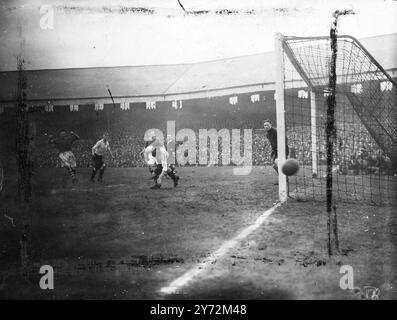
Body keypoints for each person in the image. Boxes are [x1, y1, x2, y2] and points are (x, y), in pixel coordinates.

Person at [263, 119, 289, 184]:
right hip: (276, 151)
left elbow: (285, 139)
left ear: (271, 125)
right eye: (265, 125)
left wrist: (281, 147)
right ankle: (284, 177)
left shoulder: (276, 131)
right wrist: (273, 151)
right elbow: (273, 143)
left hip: (283, 150)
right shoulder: (267, 135)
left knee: (278, 163)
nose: (266, 126)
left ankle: (282, 179)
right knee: (275, 166)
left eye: (267, 125)